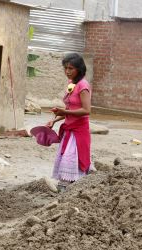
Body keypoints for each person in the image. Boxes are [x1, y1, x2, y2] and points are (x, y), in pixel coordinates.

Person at [46, 53, 92, 191]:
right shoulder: (72, 83)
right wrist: (54, 120)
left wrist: (64, 112)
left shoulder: (83, 85)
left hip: (79, 131)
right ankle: (66, 189)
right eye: (65, 68)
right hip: (69, 129)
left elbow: (86, 110)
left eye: (71, 68)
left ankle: (70, 190)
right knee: (67, 160)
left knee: (71, 160)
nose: (67, 71)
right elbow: (69, 108)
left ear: (79, 69)